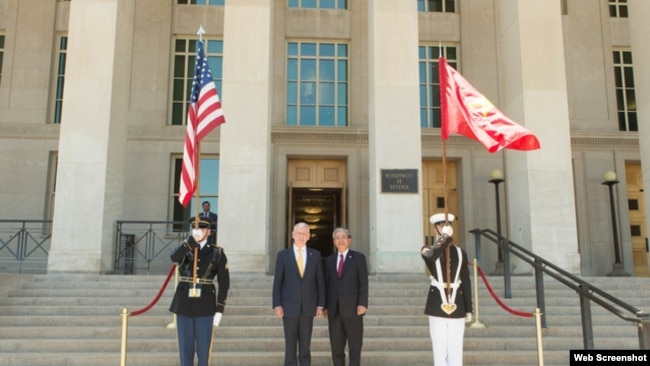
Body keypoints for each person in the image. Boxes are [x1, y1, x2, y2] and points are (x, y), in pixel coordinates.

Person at [169, 216, 230, 366]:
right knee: (185, 350)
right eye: (195, 228)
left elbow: (224, 282)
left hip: (205, 304)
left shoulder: (217, 252)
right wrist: (190, 243)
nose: (198, 231)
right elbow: (174, 258)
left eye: (202, 228)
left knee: (204, 352)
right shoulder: (185, 248)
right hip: (184, 303)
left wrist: (220, 308)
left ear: (209, 232)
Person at [420, 213, 472, 366]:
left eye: (447, 225)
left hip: (457, 302)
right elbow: (430, 257)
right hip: (437, 303)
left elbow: (466, 281)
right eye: (441, 225)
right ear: (435, 229)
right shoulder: (427, 249)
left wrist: (469, 308)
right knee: (439, 350)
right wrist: (444, 239)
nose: (444, 228)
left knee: (456, 349)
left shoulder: (461, 253)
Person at [272, 222, 325, 366]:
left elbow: (320, 281)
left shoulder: (316, 255)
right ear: (292, 235)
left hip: (308, 307)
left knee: (305, 347)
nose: (301, 236)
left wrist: (320, 305)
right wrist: (277, 305)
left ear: (309, 236)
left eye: (304, 233)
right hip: (289, 308)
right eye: (298, 233)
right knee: (290, 347)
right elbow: (277, 282)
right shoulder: (283, 255)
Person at [324, 228, 368, 366]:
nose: (340, 240)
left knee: (354, 349)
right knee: (336, 349)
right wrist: (324, 305)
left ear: (349, 240)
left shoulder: (358, 258)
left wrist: (362, 303)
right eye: (337, 237)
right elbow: (326, 284)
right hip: (334, 311)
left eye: (344, 237)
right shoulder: (328, 261)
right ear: (334, 241)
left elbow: (363, 283)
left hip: (354, 310)